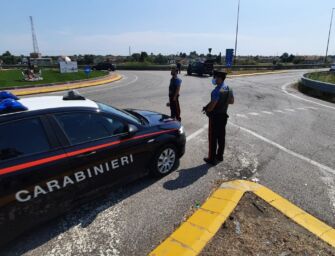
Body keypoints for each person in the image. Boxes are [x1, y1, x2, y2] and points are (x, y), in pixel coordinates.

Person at [202, 70, 234, 165]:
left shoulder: (216, 90)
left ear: (219, 78)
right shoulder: (228, 88)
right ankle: (220, 156)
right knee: (221, 137)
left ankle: (211, 158)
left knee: (213, 138)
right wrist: (222, 103)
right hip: (223, 116)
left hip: (215, 118)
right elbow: (232, 101)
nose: (214, 79)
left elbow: (212, 106)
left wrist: (207, 110)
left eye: (215, 77)